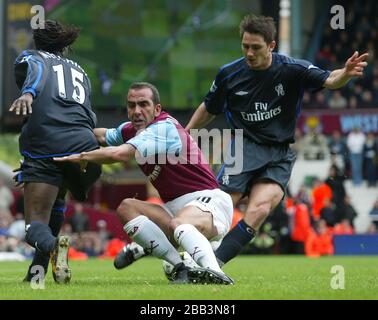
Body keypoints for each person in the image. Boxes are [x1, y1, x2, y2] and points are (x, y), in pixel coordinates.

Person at [185, 14, 369, 267]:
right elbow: (209, 107)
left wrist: (346, 73)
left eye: (256, 47)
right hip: (243, 148)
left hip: (279, 153)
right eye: (245, 46)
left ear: (271, 45)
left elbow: (330, 79)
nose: (249, 53)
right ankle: (181, 248)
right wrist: (187, 133)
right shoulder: (229, 74)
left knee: (260, 210)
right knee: (218, 215)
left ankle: (212, 264)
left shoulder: (292, 69)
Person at [55, 82, 234, 285]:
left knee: (179, 225)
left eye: (143, 104)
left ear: (157, 109)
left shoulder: (164, 127)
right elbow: (102, 135)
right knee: (126, 208)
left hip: (210, 202)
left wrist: (83, 156)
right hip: (175, 208)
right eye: (131, 105)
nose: (137, 111)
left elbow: (120, 154)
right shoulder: (131, 130)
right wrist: (61, 131)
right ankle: (181, 268)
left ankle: (216, 274)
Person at [9, 20, 102, 284]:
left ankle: (53, 245)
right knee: (57, 202)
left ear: (36, 42)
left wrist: (28, 93)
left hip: (47, 145)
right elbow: (89, 113)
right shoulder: (81, 71)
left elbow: (37, 68)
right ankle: (36, 275)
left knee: (34, 225)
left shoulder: (32, 57)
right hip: (86, 150)